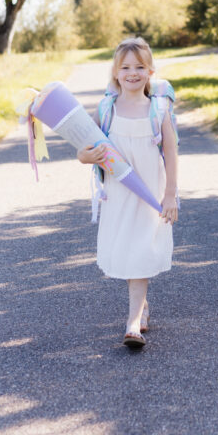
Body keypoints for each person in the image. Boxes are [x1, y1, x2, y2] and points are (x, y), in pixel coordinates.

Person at [77, 37, 178, 349]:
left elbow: (172, 153)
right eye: (126, 67)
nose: (132, 73)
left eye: (140, 67)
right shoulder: (107, 108)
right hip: (119, 193)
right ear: (115, 72)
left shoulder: (157, 109)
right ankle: (141, 307)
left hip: (150, 193)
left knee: (141, 250)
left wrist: (171, 195)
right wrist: (86, 157)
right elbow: (85, 148)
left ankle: (133, 321)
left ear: (150, 71)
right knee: (126, 250)